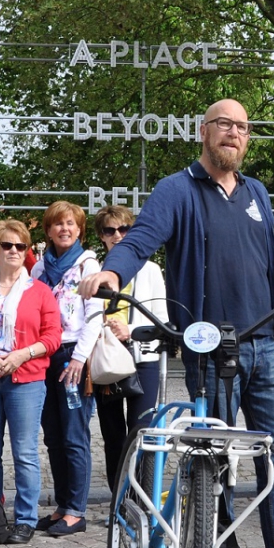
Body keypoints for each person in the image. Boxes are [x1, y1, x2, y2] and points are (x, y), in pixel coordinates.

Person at [81, 98, 274, 548]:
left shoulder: (255, 193)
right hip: (211, 350)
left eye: (244, 127)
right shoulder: (176, 190)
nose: (234, 133)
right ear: (204, 132)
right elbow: (140, 241)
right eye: (225, 124)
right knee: (217, 467)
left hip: (266, 344)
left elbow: (267, 268)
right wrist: (113, 274)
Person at [0, 219, 63, 544]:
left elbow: (53, 336)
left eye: (21, 246)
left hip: (26, 379)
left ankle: (26, 519)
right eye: (8, 246)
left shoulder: (40, 291)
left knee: (25, 452)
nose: (15, 251)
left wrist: (21, 355)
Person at [30, 201, 103, 537]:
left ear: (79, 230)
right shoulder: (39, 270)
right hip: (44, 354)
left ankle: (76, 510)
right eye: (58, 224)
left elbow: (94, 316)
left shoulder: (89, 265)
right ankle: (62, 506)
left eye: (71, 224)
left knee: (75, 435)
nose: (64, 229)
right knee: (54, 436)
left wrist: (79, 358)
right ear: (48, 230)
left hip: (73, 353)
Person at [93, 204, 167, 496]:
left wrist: (132, 332)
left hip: (143, 357)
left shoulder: (149, 269)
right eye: (110, 230)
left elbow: (162, 318)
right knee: (112, 435)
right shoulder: (97, 271)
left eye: (124, 229)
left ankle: (143, 497)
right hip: (107, 359)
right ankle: (119, 498)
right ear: (102, 236)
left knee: (142, 431)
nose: (117, 235)